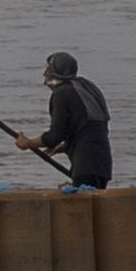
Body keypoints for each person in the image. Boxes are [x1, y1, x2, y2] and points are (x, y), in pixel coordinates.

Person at [14, 51, 113, 189]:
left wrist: (28, 143)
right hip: (102, 165)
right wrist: (67, 145)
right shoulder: (87, 88)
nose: (44, 74)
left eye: (47, 69)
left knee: (82, 207)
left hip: (85, 166)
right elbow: (92, 127)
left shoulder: (62, 93)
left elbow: (54, 136)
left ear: (55, 72)